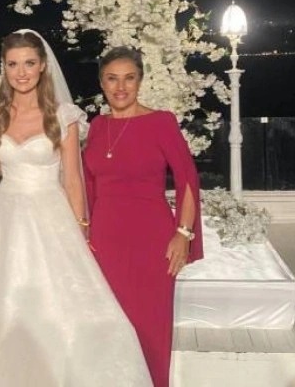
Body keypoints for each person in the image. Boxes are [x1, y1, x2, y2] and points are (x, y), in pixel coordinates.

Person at [0, 31, 151, 387]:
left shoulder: (63, 115)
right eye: (13, 64)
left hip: (50, 215)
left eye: (29, 63)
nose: (21, 72)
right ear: (4, 68)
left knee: (59, 306)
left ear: (42, 67)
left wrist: (81, 230)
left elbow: (73, 180)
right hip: (3, 217)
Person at [83, 46, 204, 387]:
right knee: (109, 330)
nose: (121, 87)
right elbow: (88, 185)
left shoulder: (160, 122)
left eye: (129, 78)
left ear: (140, 81)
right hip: (105, 243)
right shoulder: (97, 126)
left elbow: (188, 179)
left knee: (150, 332)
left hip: (152, 243)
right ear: (102, 83)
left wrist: (183, 233)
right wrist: (84, 235)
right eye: (112, 79)